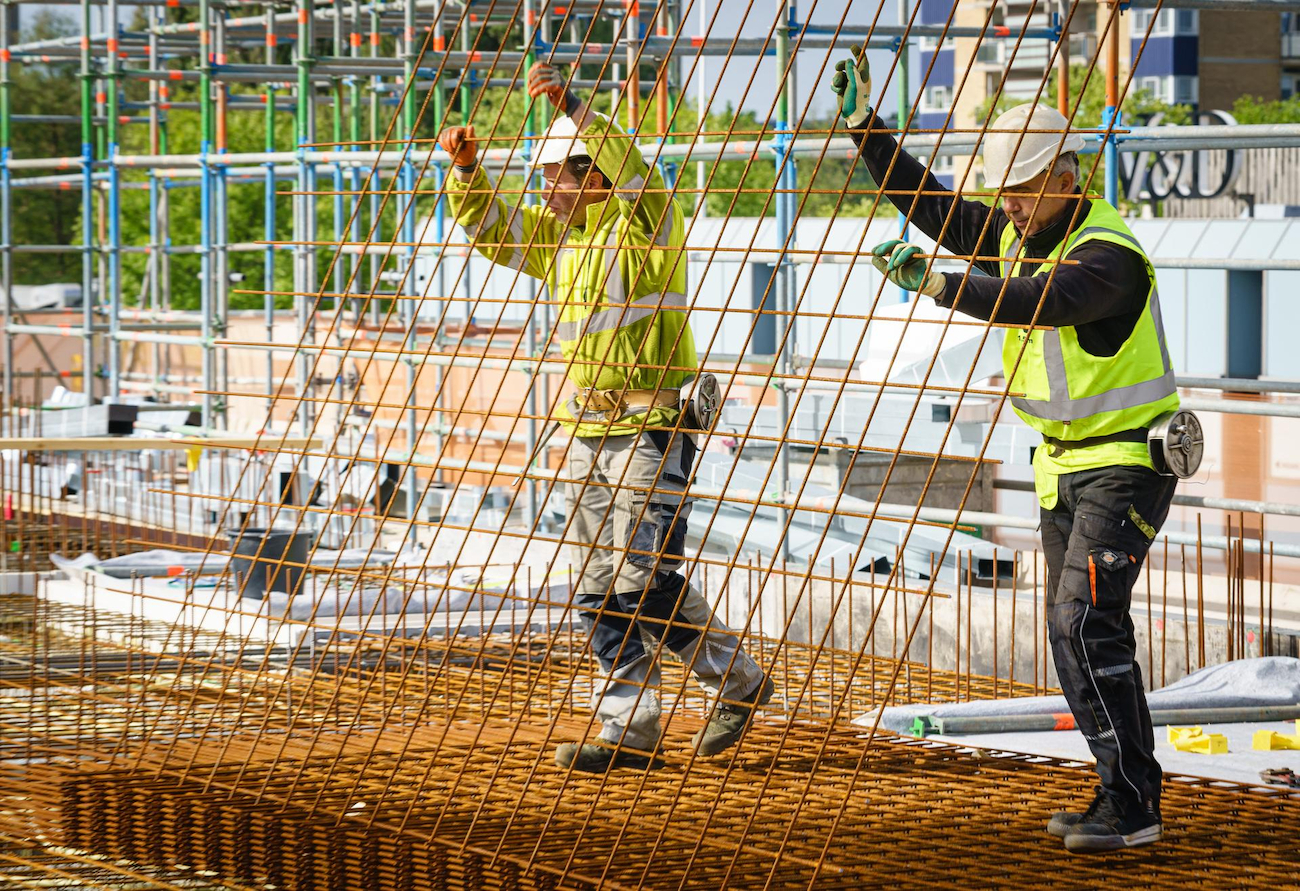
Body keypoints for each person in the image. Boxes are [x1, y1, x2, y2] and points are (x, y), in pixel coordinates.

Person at [832, 48, 1178, 853]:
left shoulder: (1107, 256)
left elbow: (1037, 300)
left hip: (1126, 463)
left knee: (1080, 621)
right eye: (1007, 195)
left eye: (1023, 191)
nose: (1011, 208)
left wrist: (941, 285)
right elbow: (940, 210)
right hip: (1063, 464)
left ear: (1064, 175)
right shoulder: (1024, 233)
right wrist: (867, 131)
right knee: (1079, 632)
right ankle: (1123, 792)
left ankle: (1133, 804)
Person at [437, 62, 771, 773]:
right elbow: (493, 231)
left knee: (642, 579)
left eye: (555, 178)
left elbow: (641, 177)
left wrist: (577, 109)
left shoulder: (647, 225)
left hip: (652, 427)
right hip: (586, 430)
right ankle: (630, 727)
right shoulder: (562, 241)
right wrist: (467, 171)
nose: (545, 193)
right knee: (596, 588)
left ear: (594, 176)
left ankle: (737, 682)